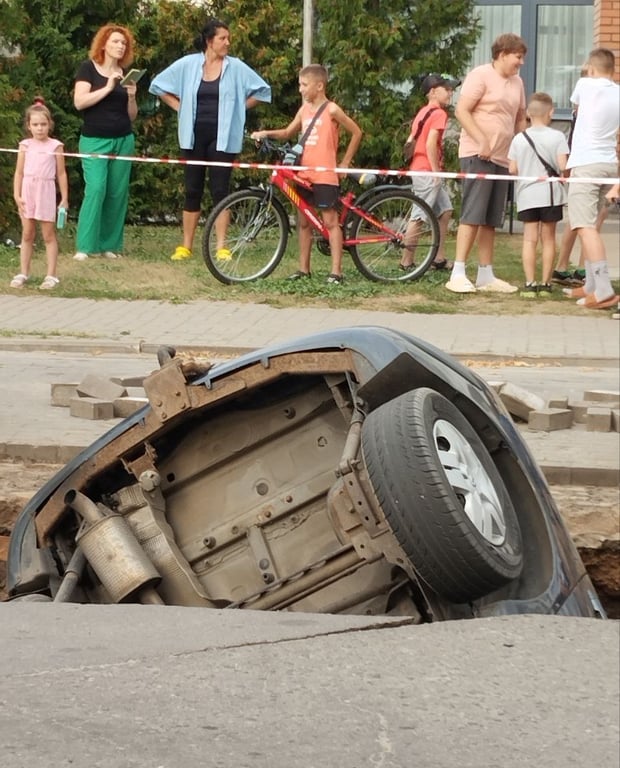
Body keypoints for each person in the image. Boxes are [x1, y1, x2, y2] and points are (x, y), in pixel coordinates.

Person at [149, 19, 271, 262]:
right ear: (209, 41)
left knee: (220, 190)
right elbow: (158, 85)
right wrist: (180, 107)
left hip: (223, 138)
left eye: (228, 38)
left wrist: (239, 109)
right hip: (193, 136)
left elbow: (263, 91)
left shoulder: (236, 67)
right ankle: (185, 246)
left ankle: (221, 246)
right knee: (192, 189)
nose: (228, 42)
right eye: (222, 38)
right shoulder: (188, 64)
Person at [251, 64, 362, 284]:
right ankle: (304, 269)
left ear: (319, 86)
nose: (300, 90)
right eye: (299, 85)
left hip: (324, 175)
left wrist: (345, 162)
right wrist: (266, 133)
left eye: (304, 85)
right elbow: (287, 133)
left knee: (331, 222)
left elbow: (356, 132)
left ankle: (336, 272)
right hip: (303, 174)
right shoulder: (304, 110)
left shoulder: (332, 109)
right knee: (303, 222)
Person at [445, 33, 527, 294]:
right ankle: (458, 272)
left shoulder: (518, 83)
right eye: (518, 56)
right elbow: (461, 111)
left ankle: (485, 274)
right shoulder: (480, 75)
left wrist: (520, 149)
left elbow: (520, 117)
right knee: (473, 213)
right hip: (477, 155)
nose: (521, 62)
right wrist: (481, 139)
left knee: (491, 218)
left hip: (502, 158)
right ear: (502, 54)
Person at [73, 24, 139, 261]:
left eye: (123, 43)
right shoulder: (88, 69)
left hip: (123, 139)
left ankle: (108, 245)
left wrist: (131, 97)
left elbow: (132, 115)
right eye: (115, 42)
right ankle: (85, 246)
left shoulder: (125, 73)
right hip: (94, 140)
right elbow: (79, 102)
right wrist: (109, 87)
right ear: (103, 44)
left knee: (116, 192)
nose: (120, 46)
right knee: (96, 188)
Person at [563, 48, 619, 310]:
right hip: (608, 164)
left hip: (585, 164)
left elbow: (575, 105)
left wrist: (587, 71)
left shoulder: (585, 83)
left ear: (592, 69)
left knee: (584, 226)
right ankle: (591, 285)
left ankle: (604, 289)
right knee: (592, 226)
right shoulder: (618, 92)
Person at [507, 92, 569, 297]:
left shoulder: (519, 139)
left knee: (529, 239)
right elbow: (562, 166)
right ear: (550, 112)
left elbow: (512, 169)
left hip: (526, 194)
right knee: (548, 238)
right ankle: (546, 283)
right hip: (551, 194)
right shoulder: (558, 137)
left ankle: (530, 283)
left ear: (528, 114)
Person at [401, 73, 461, 272]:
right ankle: (406, 261)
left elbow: (410, 140)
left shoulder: (423, 112)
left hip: (419, 167)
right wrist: (436, 172)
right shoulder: (438, 114)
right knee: (419, 216)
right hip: (427, 170)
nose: (451, 93)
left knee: (445, 211)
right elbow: (430, 144)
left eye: (452, 89)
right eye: (447, 89)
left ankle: (438, 257)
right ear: (433, 92)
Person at [11, 98, 68, 290]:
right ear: (29, 125)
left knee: (48, 234)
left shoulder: (56, 146)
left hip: (45, 191)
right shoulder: (24, 145)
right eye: (35, 124)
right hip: (27, 191)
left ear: (49, 124)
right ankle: (23, 272)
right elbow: (19, 172)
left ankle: (51, 275)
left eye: (43, 124)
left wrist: (65, 199)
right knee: (27, 234)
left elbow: (61, 173)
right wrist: (17, 195)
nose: (40, 128)